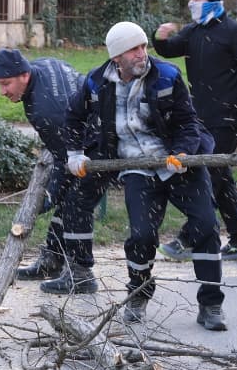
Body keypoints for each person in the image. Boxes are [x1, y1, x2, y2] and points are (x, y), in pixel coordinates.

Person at [64, 21, 228, 331]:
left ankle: (211, 303)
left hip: (179, 165)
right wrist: (75, 152)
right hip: (136, 168)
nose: (142, 54)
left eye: (143, 47)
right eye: (133, 50)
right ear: (117, 58)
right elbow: (73, 118)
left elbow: (188, 122)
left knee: (206, 227)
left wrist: (182, 153)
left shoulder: (166, 76)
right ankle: (138, 293)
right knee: (141, 237)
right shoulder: (96, 84)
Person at [152, 0, 237, 262]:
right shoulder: (193, 32)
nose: (192, 4)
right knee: (222, 178)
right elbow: (168, 49)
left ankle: (187, 238)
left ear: (213, 1)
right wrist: (160, 37)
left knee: (209, 175)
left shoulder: (235, 32)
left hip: (227, 115)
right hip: (199, 117)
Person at [0, 47, 97, 294]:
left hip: (97, 144)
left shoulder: (46, 110)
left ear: (24, 76)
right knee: (68, 202)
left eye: (6, 84)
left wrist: (46, 199)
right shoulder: (42, 64)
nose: (2, 92)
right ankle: (52, 261)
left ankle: (81, 275)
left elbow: (65, 159)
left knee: (75, 205)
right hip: (82, 130)